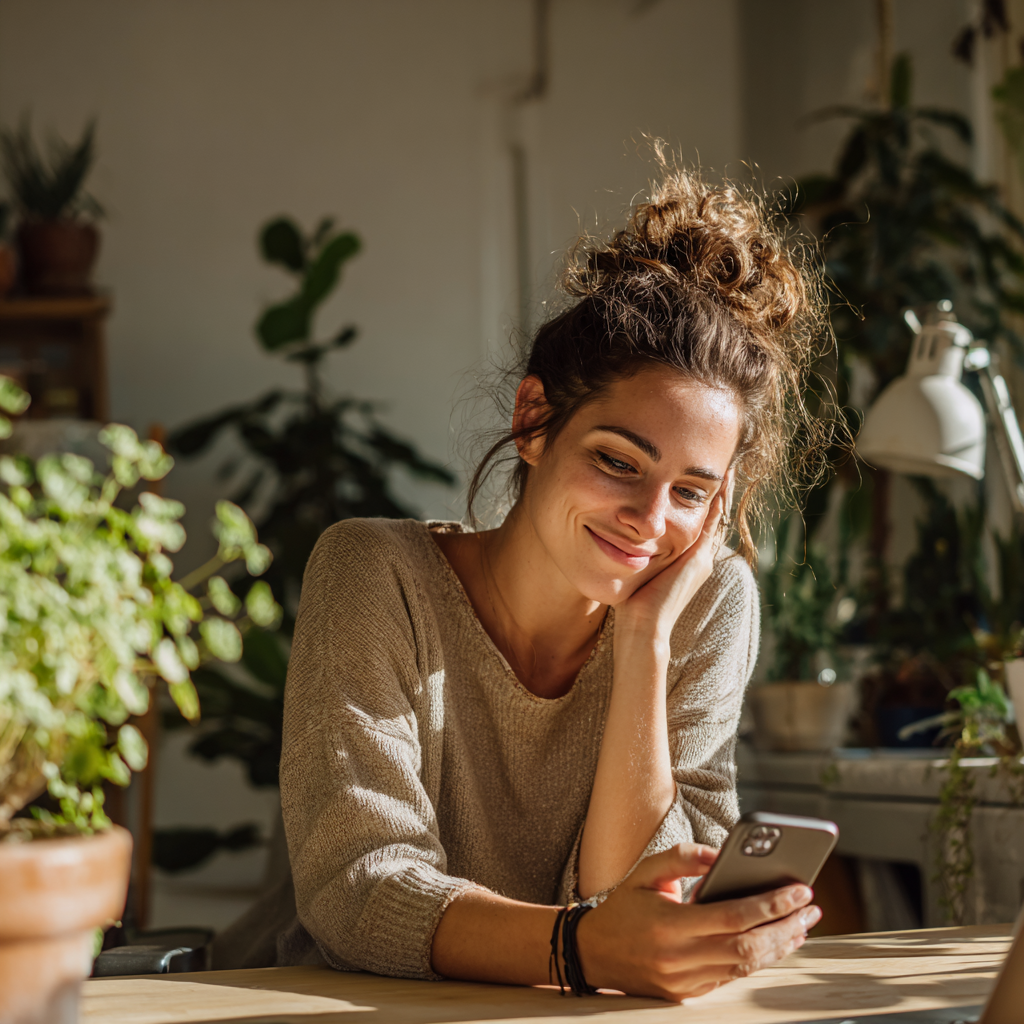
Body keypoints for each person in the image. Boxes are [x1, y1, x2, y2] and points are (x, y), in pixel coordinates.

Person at [223, 167, 831, 1001]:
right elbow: (360, 888)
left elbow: (639, 903)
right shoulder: (375, 573)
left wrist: (646, 642)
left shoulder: (705, 601)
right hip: (323, 1009)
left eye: (691, 492)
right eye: (618, 463)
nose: (650, 522)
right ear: (533, 421)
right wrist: (578, 949)